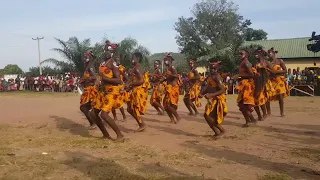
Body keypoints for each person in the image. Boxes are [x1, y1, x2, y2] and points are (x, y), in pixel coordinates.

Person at [92, 40, 124, 141]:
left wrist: (104, 79)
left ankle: (120, 135)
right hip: (103, 91)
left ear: (112, 52)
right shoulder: (103, 63)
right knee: (92, 113)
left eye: (108, 51)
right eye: (105, 50)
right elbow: (101, 76)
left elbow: (118, 80)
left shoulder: (113, 63)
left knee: (104, 115)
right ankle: (106, 134)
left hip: (112, 92)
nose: (106, 52)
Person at [200, 61, 227, 137]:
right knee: (207, 115)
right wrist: (202, 93)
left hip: (218, 99)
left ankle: (220, 131)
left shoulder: (217, 76)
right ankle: (218, 132)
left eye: (214, 68)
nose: (212, 70)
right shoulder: (210, 76)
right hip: (212, 99)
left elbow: (223, 90)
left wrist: (211, 94)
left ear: (217, 69)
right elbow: (209, 87)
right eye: (211, 68)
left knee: (208, 115)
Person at [125, 52, 149, 132]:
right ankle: (141, 124)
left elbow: (141, 81)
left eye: (133, 57)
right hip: (134, 89)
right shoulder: (135, 67)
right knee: (129, 109)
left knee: (133, 108)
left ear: (137, 58)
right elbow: (132, 79)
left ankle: (141, 124)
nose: (132, 59)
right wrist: (127, 85)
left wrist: (131, 84)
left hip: (138, 90)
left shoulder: (138, 67)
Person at [233, 50, 257, 127]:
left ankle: (250, 121)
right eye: (239, 54)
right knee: (242, 105)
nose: (240, 55)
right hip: (244, 86)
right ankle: (250, 120)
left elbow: (252, 75)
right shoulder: (243, 62)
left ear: (246, 55)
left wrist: (239, 75)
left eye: (241, 54)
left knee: (244, 105)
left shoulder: (246, 63)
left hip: (247, 86)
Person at [267, 47, 289, 117]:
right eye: (268, 53)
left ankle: (282, 112)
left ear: (274, 53)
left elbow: (285, 70)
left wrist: (277, 72)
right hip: (271, 80)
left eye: (270, 53)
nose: (269, 54)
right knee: (267, 96)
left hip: (279, 80)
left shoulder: (280, 61)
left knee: (280, 96)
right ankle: (268, 112)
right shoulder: (268, 63)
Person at [79, 51, 98, 129]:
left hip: (91, 90)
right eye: (84, 57)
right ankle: (93, 123)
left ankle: (93, 123)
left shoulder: (90, 66)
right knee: (84, 107)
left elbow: (94, 77)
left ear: (90, 58)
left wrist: (85, 79)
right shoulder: (87, 66)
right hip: (87, 89)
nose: (84, 58)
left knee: (84, 107)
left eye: (86, 56)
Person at [162, 53, 181, 123]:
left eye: (165, 60)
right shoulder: (168, 68)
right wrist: (164, 79)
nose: (164, 62)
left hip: (173, 88)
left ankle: (177, 117)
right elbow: (169, 77)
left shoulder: (172, 67)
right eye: (164, 60)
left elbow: (176, 75)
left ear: (169, 60)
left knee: (168, 105)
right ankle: (172, 119)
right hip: (169, 88)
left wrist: (168, 75)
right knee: (165, 105)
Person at [253, 48, 269, 121]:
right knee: (254, 100)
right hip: (255, 83)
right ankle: (259, 115)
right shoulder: (255, 63)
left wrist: (264, 84)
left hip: (263, 83)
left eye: (258, 53)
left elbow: (268, 74)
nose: (256, 55)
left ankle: (265, 114)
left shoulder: (266, 63)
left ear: (261, 55)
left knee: (261, 99)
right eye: (255, 53)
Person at [111, 56, 127, 121]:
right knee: (111, 103)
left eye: (118, 59)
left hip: (119, 87)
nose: (117, 61)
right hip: (112, 87)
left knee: (119, 103)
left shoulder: (121, 68)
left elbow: (126, 77)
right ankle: (115, 117)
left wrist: (124, 86)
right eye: (116, 59)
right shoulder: (112, 67)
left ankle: (124, 116)